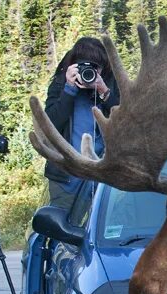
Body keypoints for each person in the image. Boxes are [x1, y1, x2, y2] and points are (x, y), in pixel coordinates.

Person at [43, 37, 120, 208]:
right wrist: (69, 89)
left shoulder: (111, 86)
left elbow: (126, 124)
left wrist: (104, 91)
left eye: (95, 68)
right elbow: (50, 125)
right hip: (66, 178)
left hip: (103, 180)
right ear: (73, 66)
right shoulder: (60, 85)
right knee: (62, 226)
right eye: (84, 66)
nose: (89, 73)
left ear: (104, 68)